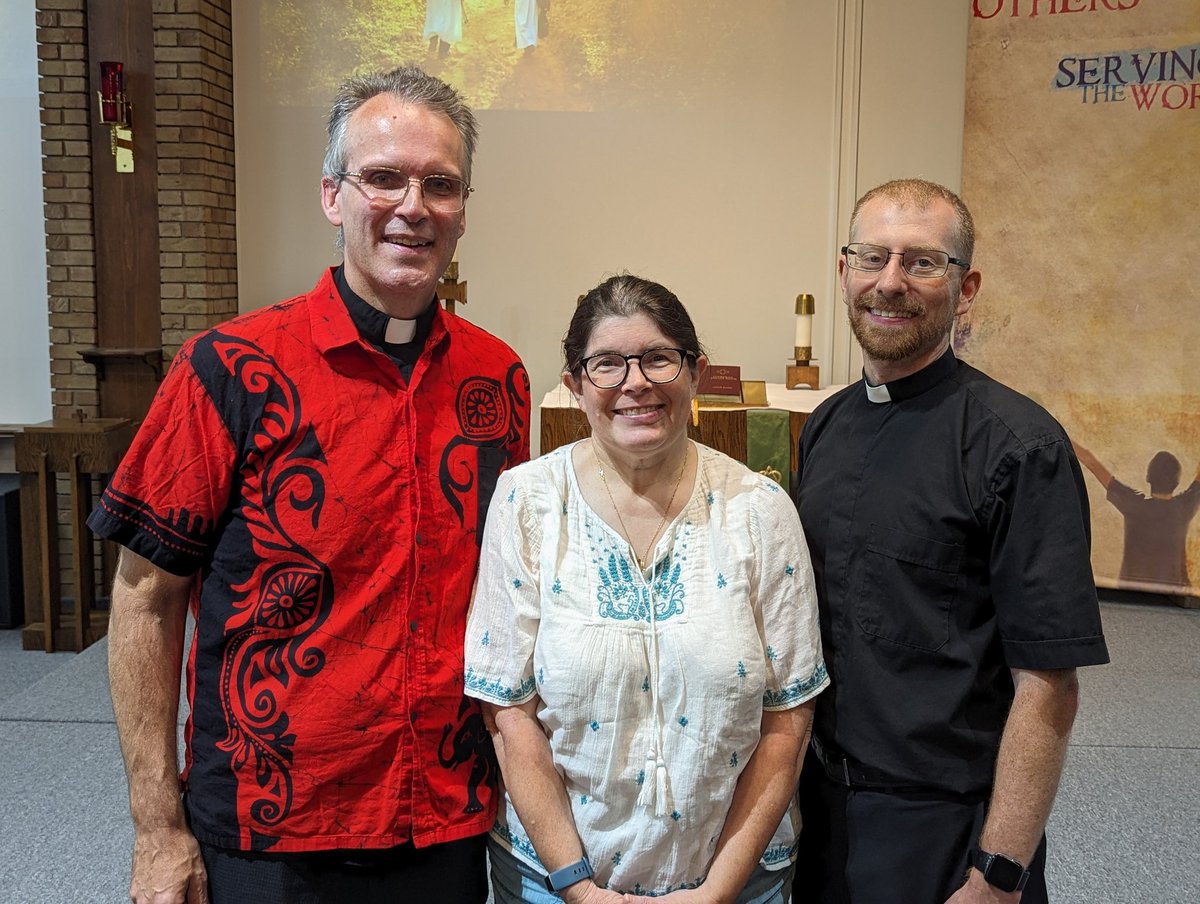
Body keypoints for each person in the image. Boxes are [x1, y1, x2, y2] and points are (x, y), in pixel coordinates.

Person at [88, 66, 530, 904]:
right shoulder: (229, 368)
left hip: (443, 813)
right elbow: (145, 599)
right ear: (333, 195)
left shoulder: (496, 379)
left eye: (440, 184)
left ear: (464, 209)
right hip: (273, 824)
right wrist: (156, 828)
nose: (413, 206)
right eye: (383, 177)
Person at [792, 179, 1109, 904]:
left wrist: (999, 874)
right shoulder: (828, 425)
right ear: (844, 272)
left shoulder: (1019, 448)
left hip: (945, 826)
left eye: (922, 263)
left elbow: (1049, 684)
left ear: (965, 289)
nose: (890, 282)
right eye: (872, 257)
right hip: (822, 809)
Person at [464, 274, 828, 902]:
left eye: (659, 358)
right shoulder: (528, 501)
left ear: (696, 373)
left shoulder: (759, 509)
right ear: (575, 385)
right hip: (555, 878)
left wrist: (715, 893)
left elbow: (788, 720)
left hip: (737, 879)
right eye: (607, 363)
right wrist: (578, 888)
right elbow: (509, 714)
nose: (636, 382)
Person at [1073, 442, 1200, 589]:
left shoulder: (1133, 504)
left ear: (1148, 477)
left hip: (1131, 591)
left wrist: (1062, 436)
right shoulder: (1184, 507)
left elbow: (1092, 463)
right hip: (1172, 594)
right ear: (1177, 482)